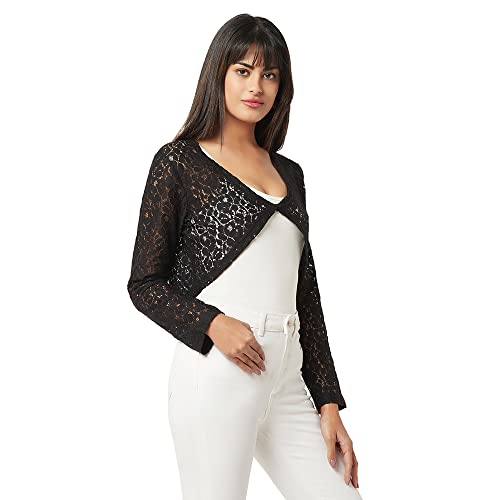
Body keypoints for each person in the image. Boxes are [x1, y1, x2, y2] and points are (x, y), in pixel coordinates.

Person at [127, 13, 363, 500]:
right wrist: (212, 324)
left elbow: (306, 295)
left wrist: (328, 402)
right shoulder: (179, 162)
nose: (256, 86)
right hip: (218, 370)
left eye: (269, 74)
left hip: (288, 375)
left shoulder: (290, 174)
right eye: (243, 70)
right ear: (218, 72)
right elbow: (145, 284)